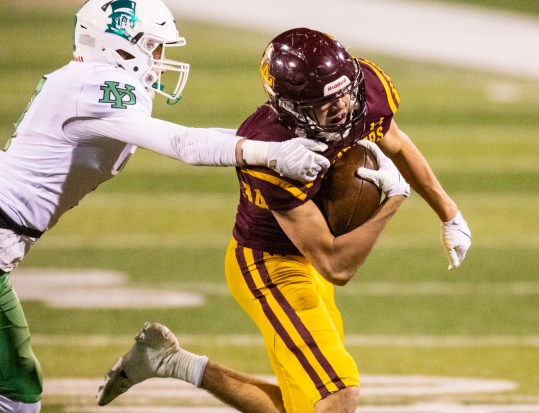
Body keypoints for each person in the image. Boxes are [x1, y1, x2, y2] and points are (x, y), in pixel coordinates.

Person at [97, 28, 472, 412]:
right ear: (290, 107)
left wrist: (449, 213)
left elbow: (394, 141)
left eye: (344, 92)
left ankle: (168, 360)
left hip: (307, 257)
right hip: (269, 264)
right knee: (338, 394)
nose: (343, 106)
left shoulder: (364, 91)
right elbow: (335, 265)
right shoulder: (271, 149)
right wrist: (394, 199)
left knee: (309, 404)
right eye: (325, 102)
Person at [0, 3, 331, 412]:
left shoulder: (89, 80)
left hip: (7, 238)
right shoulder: (95, 84)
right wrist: (271, 154)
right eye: (154, 47)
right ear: (118, 46)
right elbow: (183, 144)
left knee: (16, 390)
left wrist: (288, 148)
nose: (160, 60)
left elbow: (188, 135)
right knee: (16, 394)